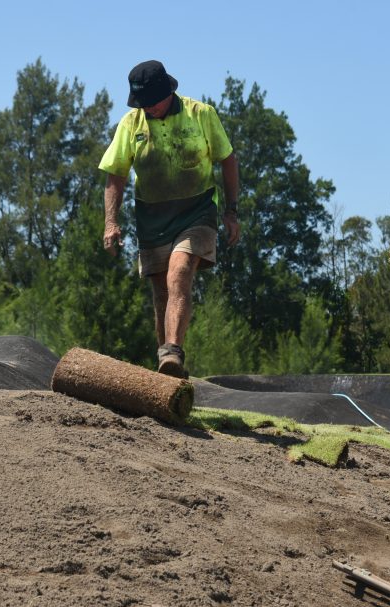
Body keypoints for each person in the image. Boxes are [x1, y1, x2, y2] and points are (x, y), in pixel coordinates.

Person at [99, 60, 240, 378]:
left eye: (152, 102)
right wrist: (111, 222)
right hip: (151, 217)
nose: (147, 108)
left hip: (196, 211)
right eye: (142, 103)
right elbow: (116, 175)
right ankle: (167, 369)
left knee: (179, 273)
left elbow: (228, 160)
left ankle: (173, 350)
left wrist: (231, 211)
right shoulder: (131, 124)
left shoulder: (200, 114)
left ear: (168, 93)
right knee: (161, 293)